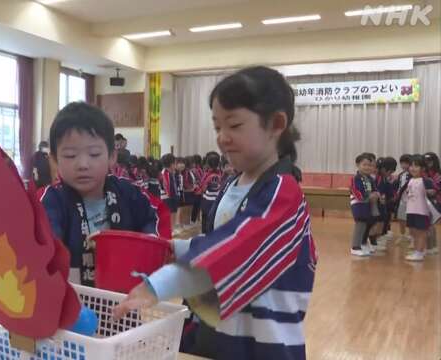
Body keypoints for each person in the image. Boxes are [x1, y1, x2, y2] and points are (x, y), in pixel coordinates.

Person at [113, 66, 316, 360]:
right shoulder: (232, 183)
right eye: (217, 127)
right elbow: (218, 239)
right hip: (218, 329)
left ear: (276, 124)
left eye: (234, 125)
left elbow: (240, 247)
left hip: (260, 342)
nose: (222, 137)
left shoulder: (283, 192)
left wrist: (158, 285)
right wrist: (176, 248)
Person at [40, 102, 160, 286]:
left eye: (94, 154)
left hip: (122, 297)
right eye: (71, 156)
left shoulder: (127, 192)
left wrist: (148, 242)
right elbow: (48, 240)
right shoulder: (53, 200)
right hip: (74, 300)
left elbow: (150, 219)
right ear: (55, 160)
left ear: (112, 157)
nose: (83, 164)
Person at [404, 155, 436, 261]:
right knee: (413, 232)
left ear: (423, 168)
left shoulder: (426, 181)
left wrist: (430, 192)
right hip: (411, 210)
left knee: (421, 232)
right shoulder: (410, 180)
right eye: (411, 166)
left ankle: (419, 253)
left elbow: (433, 192)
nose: (413, 168)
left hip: (422, 211)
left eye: (416, 166)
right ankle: (418, 250)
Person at [350, 153, 380, 256]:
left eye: (370, 165)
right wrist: (366, 197)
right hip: (358, 204)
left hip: (369, 204)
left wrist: (377, 193)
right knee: (360, 223)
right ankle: (355, 246)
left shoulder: (370, 179)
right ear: (358, 165)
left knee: (368, 223)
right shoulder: (356, 178)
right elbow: (355, 190)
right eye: (364, 164)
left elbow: (375, 188)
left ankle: (363, 243)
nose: (367, 167)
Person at [395, 154, 413, 242]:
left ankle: (411, 236)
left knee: (411, 218)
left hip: (411, 200)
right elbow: (398, 186)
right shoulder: (401, 174)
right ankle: (402, 235)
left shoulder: (413, 174)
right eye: (402, 163)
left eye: (406, 163)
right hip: (402, 200)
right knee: (401, 218)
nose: (403, 165)